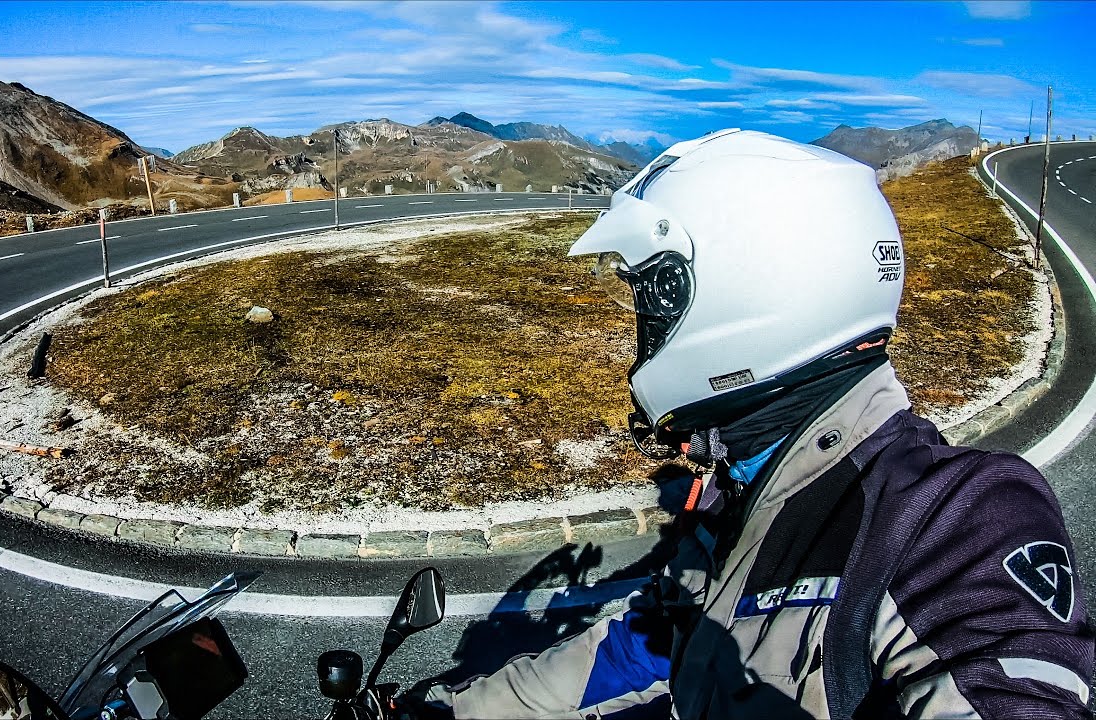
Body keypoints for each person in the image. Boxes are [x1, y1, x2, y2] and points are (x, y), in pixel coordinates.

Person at [412, 130, 1095, 718]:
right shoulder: (744, 497)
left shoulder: (957, 516)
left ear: (744, 291)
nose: (644, 330)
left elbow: (1011, 680)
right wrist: (456, 710)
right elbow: (641, 647)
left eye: (654, 304)